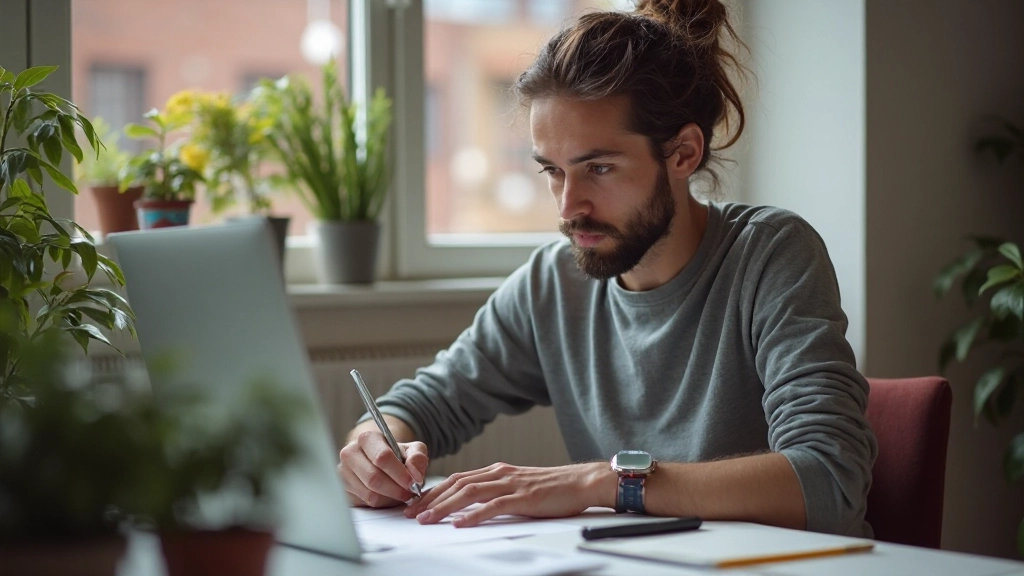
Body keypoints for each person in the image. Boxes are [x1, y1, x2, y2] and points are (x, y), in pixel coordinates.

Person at [338, 0, 877, 537]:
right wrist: (375, 444)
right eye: (553, 171)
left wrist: (601, 482)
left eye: (599, 167)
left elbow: (830, 482)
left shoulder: (770, 254)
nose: (569, 206)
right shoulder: (552, 284)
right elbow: (427, 402)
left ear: (684, 153)